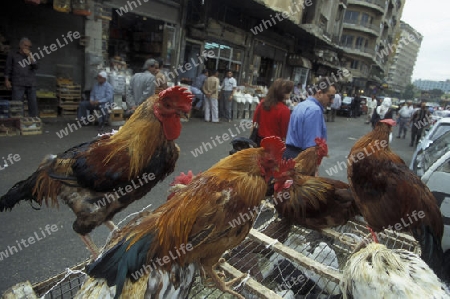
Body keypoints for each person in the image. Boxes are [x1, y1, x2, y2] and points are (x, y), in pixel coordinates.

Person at [284, 77, 336, 160]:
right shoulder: (315, 110)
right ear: (319, 93)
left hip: (289, 155)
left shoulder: (301, 105)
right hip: (301, 158)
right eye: (330, 97)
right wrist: (312, 167)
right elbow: (311, 147)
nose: (332, 101)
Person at [251, 78, 293, 145]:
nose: (290, 93)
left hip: (260, 140)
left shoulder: (263, 103)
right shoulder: (284, 110)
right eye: (288, 91)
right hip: (274, 144)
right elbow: (284, 133)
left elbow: (254, 122)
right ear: (283, 93)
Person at [4, 37, 39, 117]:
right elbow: (8, 67)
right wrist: (7, 80)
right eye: (25, 46)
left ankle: (33, 121)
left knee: (33, 104)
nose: (27, 48)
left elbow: (36, 66)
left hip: (31, 83)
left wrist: (30, 56)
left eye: (29, 46)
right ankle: (19, 121)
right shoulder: (12, 54)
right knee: (17, 105)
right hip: (18, 83)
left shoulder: (32, 55)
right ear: (20, 45)